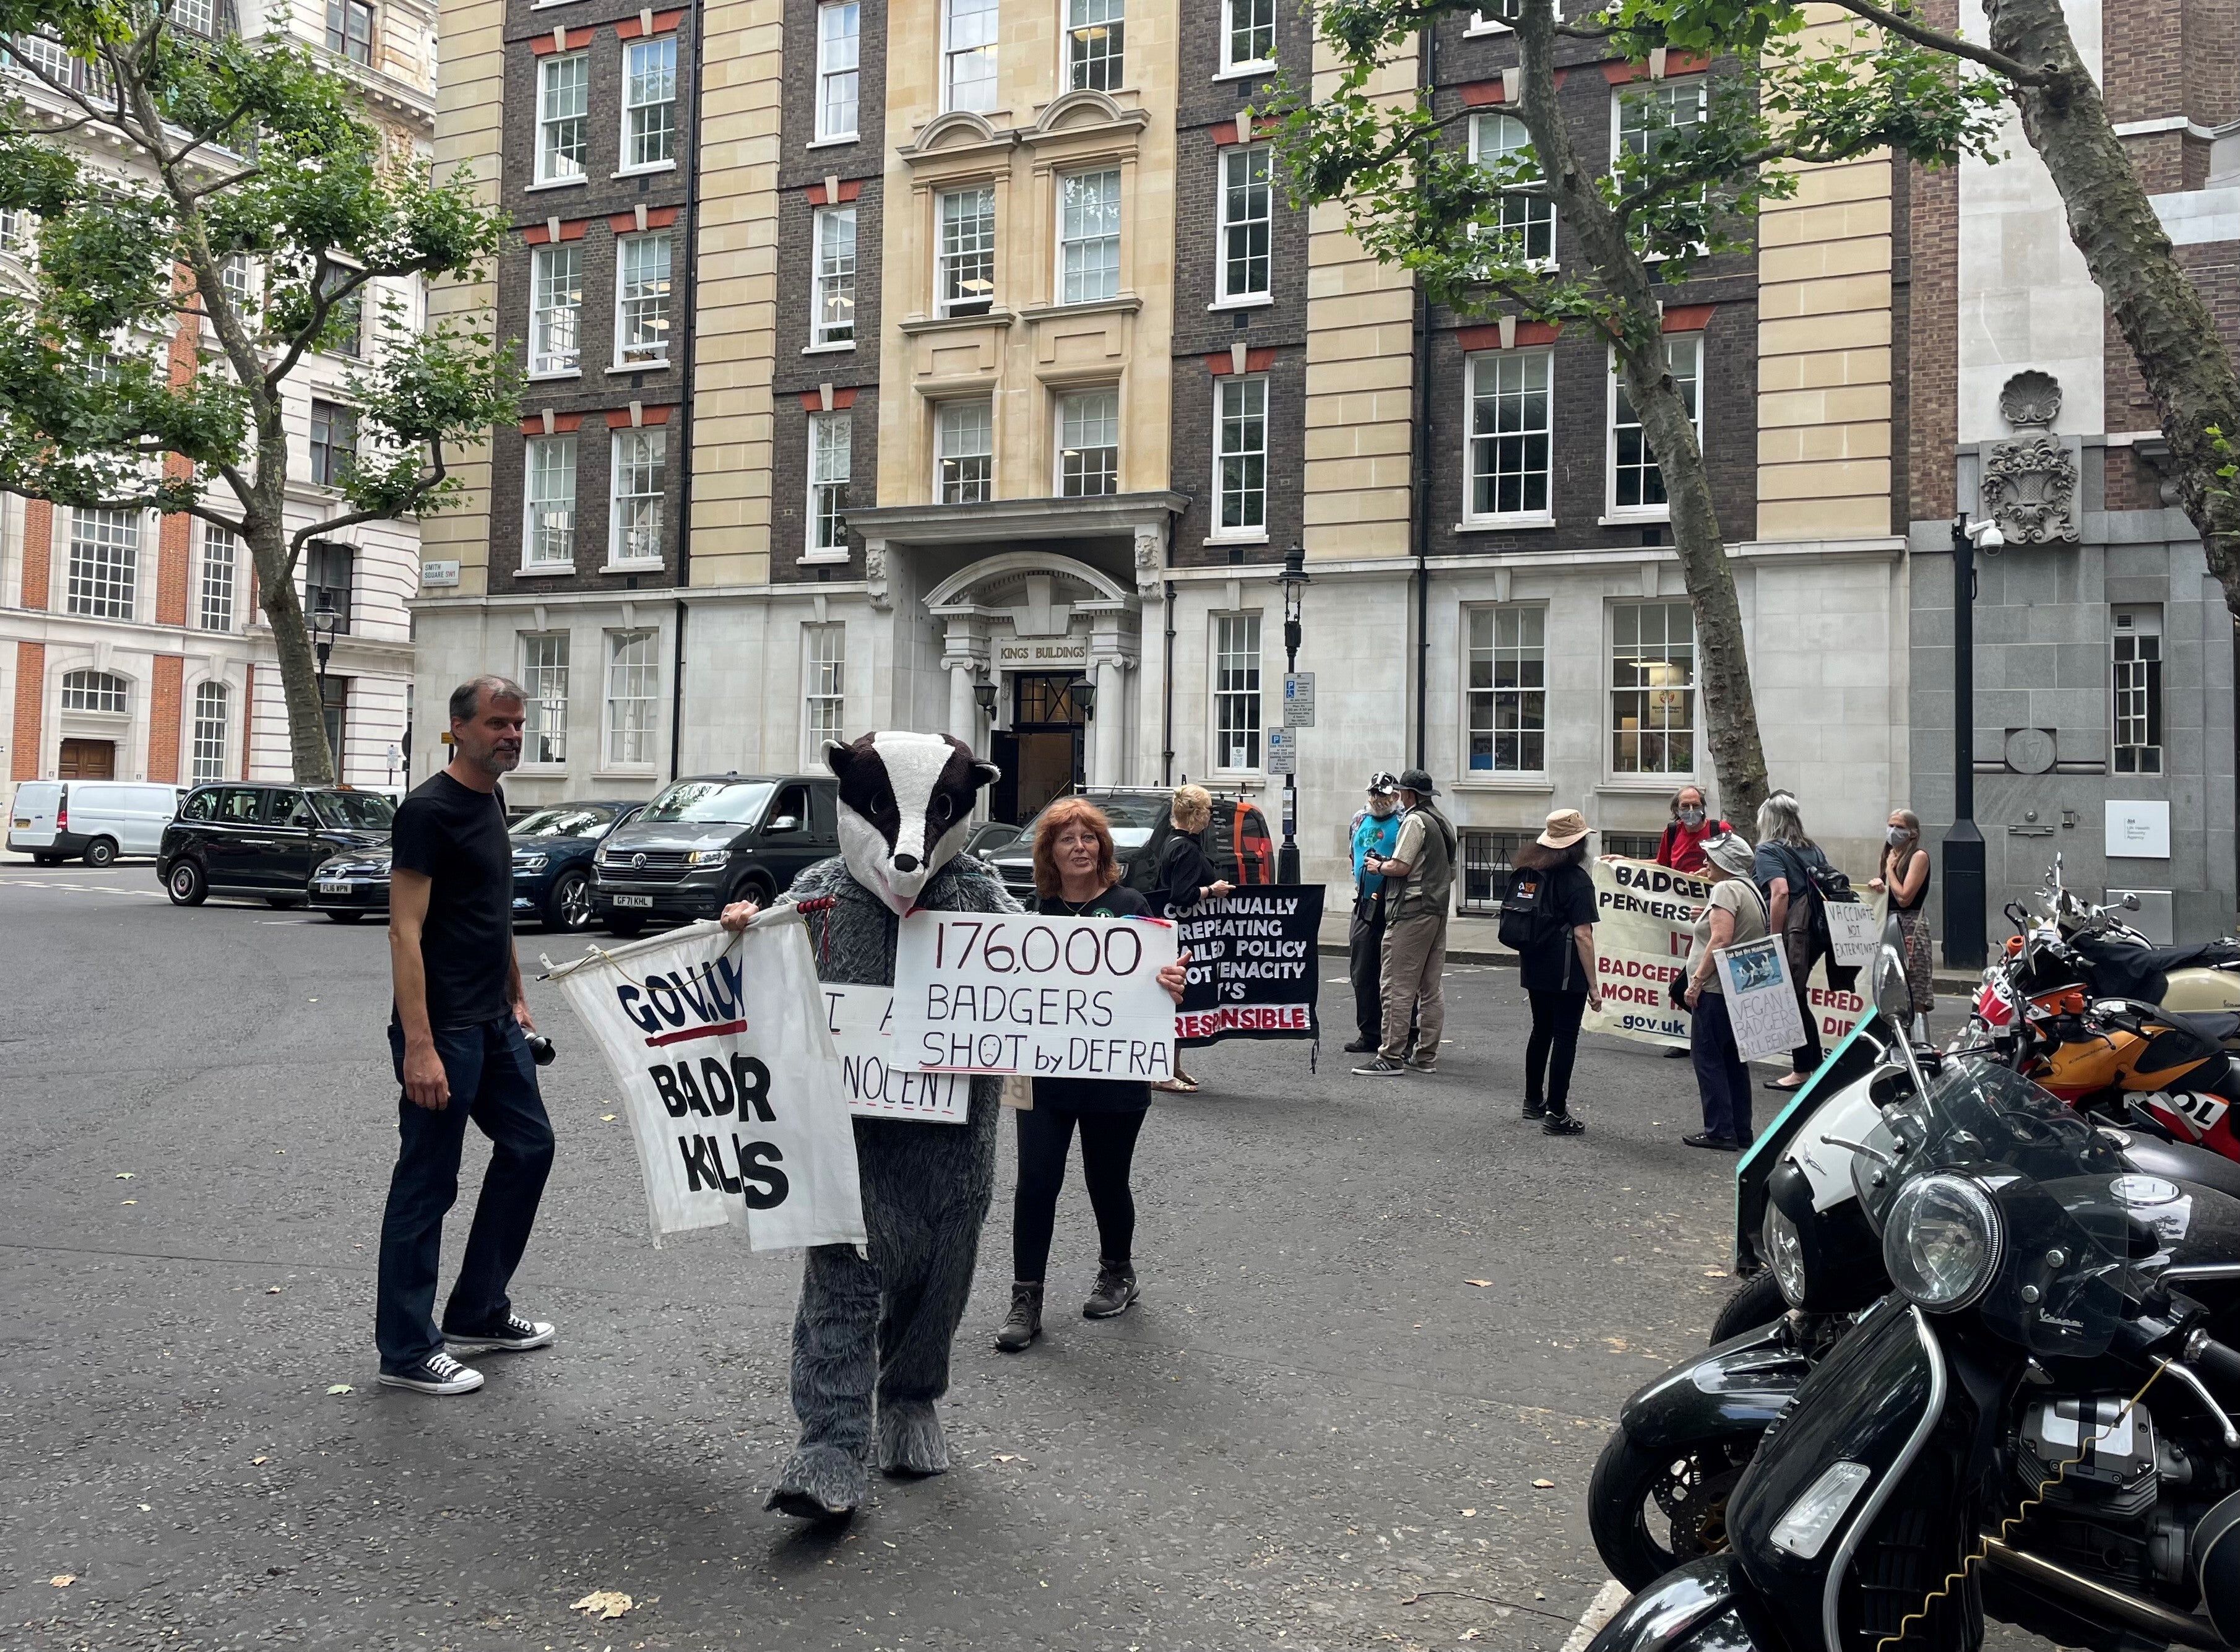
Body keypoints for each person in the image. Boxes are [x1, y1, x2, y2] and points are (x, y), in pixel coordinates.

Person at [376, 676, 557, 1396]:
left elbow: (493, 911)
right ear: (458, 727)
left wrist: (516, 996)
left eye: (518, 723)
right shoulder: (427, 810)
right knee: (427, 1181)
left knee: (530, 1146)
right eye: (497, 723)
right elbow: (404, 928)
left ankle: (478, 1308)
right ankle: (406, 1348)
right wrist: (418, 1044)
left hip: (493, 1019)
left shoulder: (492, 798)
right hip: (443, 1028)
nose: (511, 734)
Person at [995, 798, 1190, 1352]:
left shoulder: (1130, 904)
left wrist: (1174, 981)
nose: (1079, 847)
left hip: (1114, 1074)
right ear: (1049, 852)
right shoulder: (1033, 914)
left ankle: (1117, 1272)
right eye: (1066, 839)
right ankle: (1026, 1295)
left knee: (1107, 1178)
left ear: (1102, 848)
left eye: (1088, 838)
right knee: (1035, 1181)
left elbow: (1163, 979)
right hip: (1043, 1074)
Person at [1353, 768, 1457, 1077]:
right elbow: (1450, 871)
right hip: (1438, 911)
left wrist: (1378, 866)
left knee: (1397, 986)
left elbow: (1400, 866)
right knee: (1430, 989)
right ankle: (1425, 1056)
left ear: (1408, 795)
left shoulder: (1414, 820)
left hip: (1412, 911)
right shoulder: (1443, 821)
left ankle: (1390, 1056)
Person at [1510, 809, 1602, 1135]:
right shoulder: (1577, 881)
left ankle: (1533, 1101)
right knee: (1565, 1037)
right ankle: (1557, 1113)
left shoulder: (1530, 871)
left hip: (1534, 963)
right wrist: (1594, 986)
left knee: (1541, 1031)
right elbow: (1583, 935)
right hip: (1566, 970)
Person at [1682, 831, 1771, 1151]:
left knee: (1708, 1058)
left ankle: (1720, 1130)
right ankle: (1740, 1131)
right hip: (1739, 988)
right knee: (1734, 1060)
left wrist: (1697, 982)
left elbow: (1721, 939)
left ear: (1725, 861)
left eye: (1710, 857)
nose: (1705, 862)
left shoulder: (1725, 888)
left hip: (1717, 989)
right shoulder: (1750, 889)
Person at [1753, 790, 1843, 1094]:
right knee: (1797, 995)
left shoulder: (1768, 851)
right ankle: (1811, 1065)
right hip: (1817, 930)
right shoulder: (1812, 848)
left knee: (1791, 997)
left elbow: (1779, 892)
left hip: (1795, 931)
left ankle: (1802, 1070)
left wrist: (1773, 939)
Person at [1153, 784, 1231, 1094]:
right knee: (1175, 1001)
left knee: (1180, 1000)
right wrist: (1213, 891)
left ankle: (1172, 1066)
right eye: (1209, 810)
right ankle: (1161, 1071)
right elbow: (1181, 895)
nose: (1211, 816)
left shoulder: (1176, 842)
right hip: (1183, 934)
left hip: (1181, 934)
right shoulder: (1185, 848)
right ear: (1197, 815)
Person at [1344, 774, 1405, 1055]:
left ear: (1396, 797)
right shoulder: (1359, 818)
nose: (1377, 800)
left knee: (1396, 973)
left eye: (1383, 796)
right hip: (1365, 902)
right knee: (1361, 970)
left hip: (1393, 904)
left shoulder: (1405, 821)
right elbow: (1352, 854)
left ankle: (1402, 1037)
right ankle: (1368, 1033)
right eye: (1373, 795)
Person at [1868, 808, 1934, 1042]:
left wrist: (1889, 871)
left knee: (1916, 990)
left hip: (1910, 927)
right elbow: (1890, 895)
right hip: (1890, 924)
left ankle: (1921, 1045)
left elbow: (1905, 896)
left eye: (1899, 827)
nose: (1893, 831)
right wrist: (1879, 884)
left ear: (1913, 834)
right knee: (1891, 987)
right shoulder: (1890, 855)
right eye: (1890, 825)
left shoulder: (1918, 857)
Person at [1655, 785, 1725, 874]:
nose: (1691, 810)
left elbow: (1736, 865)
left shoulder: (1720, 830)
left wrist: (1711, 873)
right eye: (1685, 806)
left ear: (1703, 807)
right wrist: (1632, 862)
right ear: (1676, 809)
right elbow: (1661, 864)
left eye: (1696, 805)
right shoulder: (1672, 832)